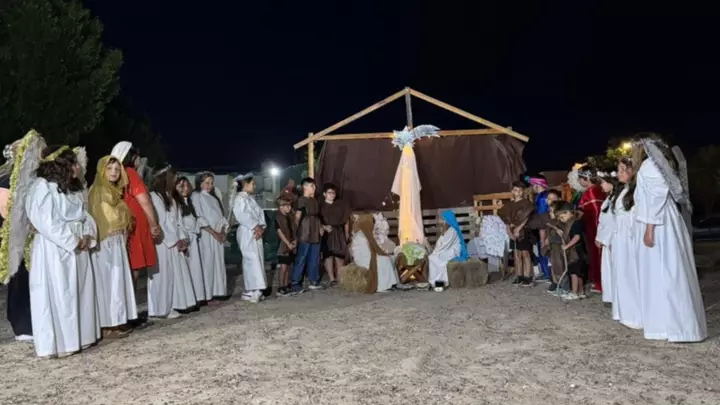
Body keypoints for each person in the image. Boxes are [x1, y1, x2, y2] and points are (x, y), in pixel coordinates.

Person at [25, 145, 100, 358]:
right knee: (61, 293)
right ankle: (62, 343)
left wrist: (87, 234)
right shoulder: (42, 187)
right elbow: (46, 222)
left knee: (80, 291)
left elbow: (85, 215)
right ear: (62, 165)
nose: (78, 167)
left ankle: (83, 336)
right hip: (55, 250)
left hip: (79, 247)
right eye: (73, 163)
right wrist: (73, 240)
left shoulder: (71, 189)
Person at [632, 135, 706, 342]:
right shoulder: (662, 164)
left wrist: (649, 229)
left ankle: (671, 326)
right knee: (669, 271)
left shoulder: (650, 166)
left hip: (660, 223)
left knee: (665, 272)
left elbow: (654, 198)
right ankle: (669, 324)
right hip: (667, 220)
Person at [0, 130, 46, 343]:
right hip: (16, 236)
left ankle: (35, 319)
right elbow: (6, 210)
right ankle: (22, 324)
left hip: (34, 234)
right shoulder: (6, 177)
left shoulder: (34, 178)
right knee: (19, 277)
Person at [110, 141, 161, 327]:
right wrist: (154, 224)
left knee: (129, 269)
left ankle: (126, 313)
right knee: (133, 270)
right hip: (135, 226)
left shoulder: (117, 174)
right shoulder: (130, 173)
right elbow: (144, 200)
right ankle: (129, 315)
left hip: (125, 225)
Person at [88, 156, 137, 338]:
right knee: (108, 282)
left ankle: (118, 319)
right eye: (110, 168)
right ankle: (108, 323)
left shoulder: (114, 191)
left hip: (116, 242)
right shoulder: (99, 190)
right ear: (102, 170)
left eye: (117, 169)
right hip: (105, 242)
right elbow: (103, 218)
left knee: (117, 281)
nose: (114, 172)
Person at [148, 165, 197, 319]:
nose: (175, 180)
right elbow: (160, 222)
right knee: (161, 276)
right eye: (173, 177)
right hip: (162, 242)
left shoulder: (171, 198)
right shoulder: (154, 197)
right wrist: (174, 240)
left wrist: (182, 238)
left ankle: (172, 305)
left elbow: (177, 221)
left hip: (174, 241)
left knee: (172, 276)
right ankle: (159, 309)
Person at [611, 158, 643, 330]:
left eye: (623, 170)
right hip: (620, 236)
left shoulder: (636, 190)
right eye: (619, 170)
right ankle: (624, 311)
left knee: (631, 273)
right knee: (621, 273)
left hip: (629, 237)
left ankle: (635, 314)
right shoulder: (623, 190)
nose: (619, 173)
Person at [191, 172, 229, 302]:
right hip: (206, 236)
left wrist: (222, 231)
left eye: (211, 183)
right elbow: (199, 217)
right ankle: (207, 294)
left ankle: (218, 291)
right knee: (207, 264)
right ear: (200, 183)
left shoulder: (214, 197)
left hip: (218, 236)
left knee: (217, 264)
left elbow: (221, 217)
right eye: (207, 183)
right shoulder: (196, 196)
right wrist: (213, 233)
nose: (210, 185)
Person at [230, 173, 267, 303]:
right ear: (245, 184)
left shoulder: (250, 199)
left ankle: (252, 289)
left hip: (256, 231)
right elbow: (241, 215)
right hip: (247, 231)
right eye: (253, 184)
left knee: (258, 258)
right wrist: (255, 226)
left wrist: (261, 227)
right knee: (251, 259)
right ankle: (255, 288)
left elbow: (260, 213)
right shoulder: (239, 199)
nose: (255, 186)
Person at [175, 176, 208, 304]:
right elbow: (179, 223)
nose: (185, 188)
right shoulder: (176, 204)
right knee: (188, 269)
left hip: (193, 239)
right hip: (186, 239)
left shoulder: (189, 202)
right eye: (181, 186)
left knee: (196, 269)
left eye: (186, 185)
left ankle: (198, 296)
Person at [290, 177, 324, 294]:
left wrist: (320, 227)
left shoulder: (314, 201)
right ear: (305, 186)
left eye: (314, 186)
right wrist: (295, 234)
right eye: (311, 186)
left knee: (315, 257)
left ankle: (313, 280)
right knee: (301, 257)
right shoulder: (301, 200)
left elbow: (317, 217)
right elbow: (297, 218)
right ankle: (295, 282)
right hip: (305, 232)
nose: (314, 188)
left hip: (315, 232)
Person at [349, 213, 398, 293]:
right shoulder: (363, 235)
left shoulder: (364, 233)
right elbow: (372, 249)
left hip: (368, 256)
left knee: (387, 258)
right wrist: (383, 254)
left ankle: (390, 283)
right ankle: (382, 286)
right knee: (384, 260)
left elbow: (374, 248)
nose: (373, 225)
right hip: (365, 259)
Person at [500, 180, 535, 287]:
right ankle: (519, 276)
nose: (518, 192)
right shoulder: (509, 205)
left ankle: (528, 277)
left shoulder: (527, 203)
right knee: (517, 254)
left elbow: (527, 218)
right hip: (512, 231)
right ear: (512, 191)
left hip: (524, 231)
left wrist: (518, 229)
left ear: (523, 191)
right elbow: (506, 219)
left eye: (520, 190)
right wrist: (508, 230)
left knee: (525, 254)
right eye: (516, 190)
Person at [552, 202, 588, 300]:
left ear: (568, 212)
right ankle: (581, 292)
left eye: (562, 217)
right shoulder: (571, 223)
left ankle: (574, 293)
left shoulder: (576, 223)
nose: (561, 219)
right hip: (576, 251)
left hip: (576, 252)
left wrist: (567, 246)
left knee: (574, 273)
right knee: (579, 273)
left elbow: (577, 237)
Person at [578, 166, 606, 293]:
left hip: (594, 228)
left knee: (596, 254)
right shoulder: (597, 190)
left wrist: (597, 230)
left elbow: (596, 212)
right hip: (593, 228)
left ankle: (599, 282)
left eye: (580, 178)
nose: (579, 181)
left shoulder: (591, 191)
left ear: (585, 178)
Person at [595, 170, 619, 306]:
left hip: (612, 239)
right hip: (606, 238)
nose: (601, 185)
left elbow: (612, 221)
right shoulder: (609, 198)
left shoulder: (615, 199)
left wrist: (603, 238)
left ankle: (615, 296)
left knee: (613, 268)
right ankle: (610, 295)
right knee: (608, 268)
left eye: (603, 182)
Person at [428, 210, 469, 289]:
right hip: (447, 249)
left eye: (444, 219)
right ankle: (435, 281)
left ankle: (441, 281)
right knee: (433, 257)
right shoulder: (448, 229)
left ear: (448, 220)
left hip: (453, 250)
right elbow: (442, 241)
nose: (443, 222)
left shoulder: (452, 230)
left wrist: (436, 251)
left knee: (435, 257)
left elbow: (445, 244)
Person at [320, 183, 351, 287]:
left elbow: (346, 220)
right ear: (324, 194)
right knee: (328, 256)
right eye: (329, 192)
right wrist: (323, 227)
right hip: (327, 233)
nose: (332, 194)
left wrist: (347, 233)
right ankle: (331, 278)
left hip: (338, 232)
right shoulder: (321, 206)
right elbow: (316, 220)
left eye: (333, 192)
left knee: (339, 255)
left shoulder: (340, 205)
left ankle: (339, 277)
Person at [530, 176, 551, 282]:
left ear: (537, 185)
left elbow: (542, 216)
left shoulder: (542, 197)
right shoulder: (542, 195)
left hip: (543, 227)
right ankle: (546, 272)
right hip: (543, 226)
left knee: (544, 249)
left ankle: (548, 274)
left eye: (532, 185)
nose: (532, 187)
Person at [275, 196, 297, 297]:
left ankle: (286, 285)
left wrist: (295, 241)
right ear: (281, 206)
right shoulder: (278, 217)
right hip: (283, 245)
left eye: (290, 205)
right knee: (283, 267)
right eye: (287, 206)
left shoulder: (290, 217)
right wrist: (288, 243)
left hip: (291, 244)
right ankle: (280, 287)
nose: (289, 207)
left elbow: (294, 229)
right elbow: (280, 232)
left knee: (288, 266)